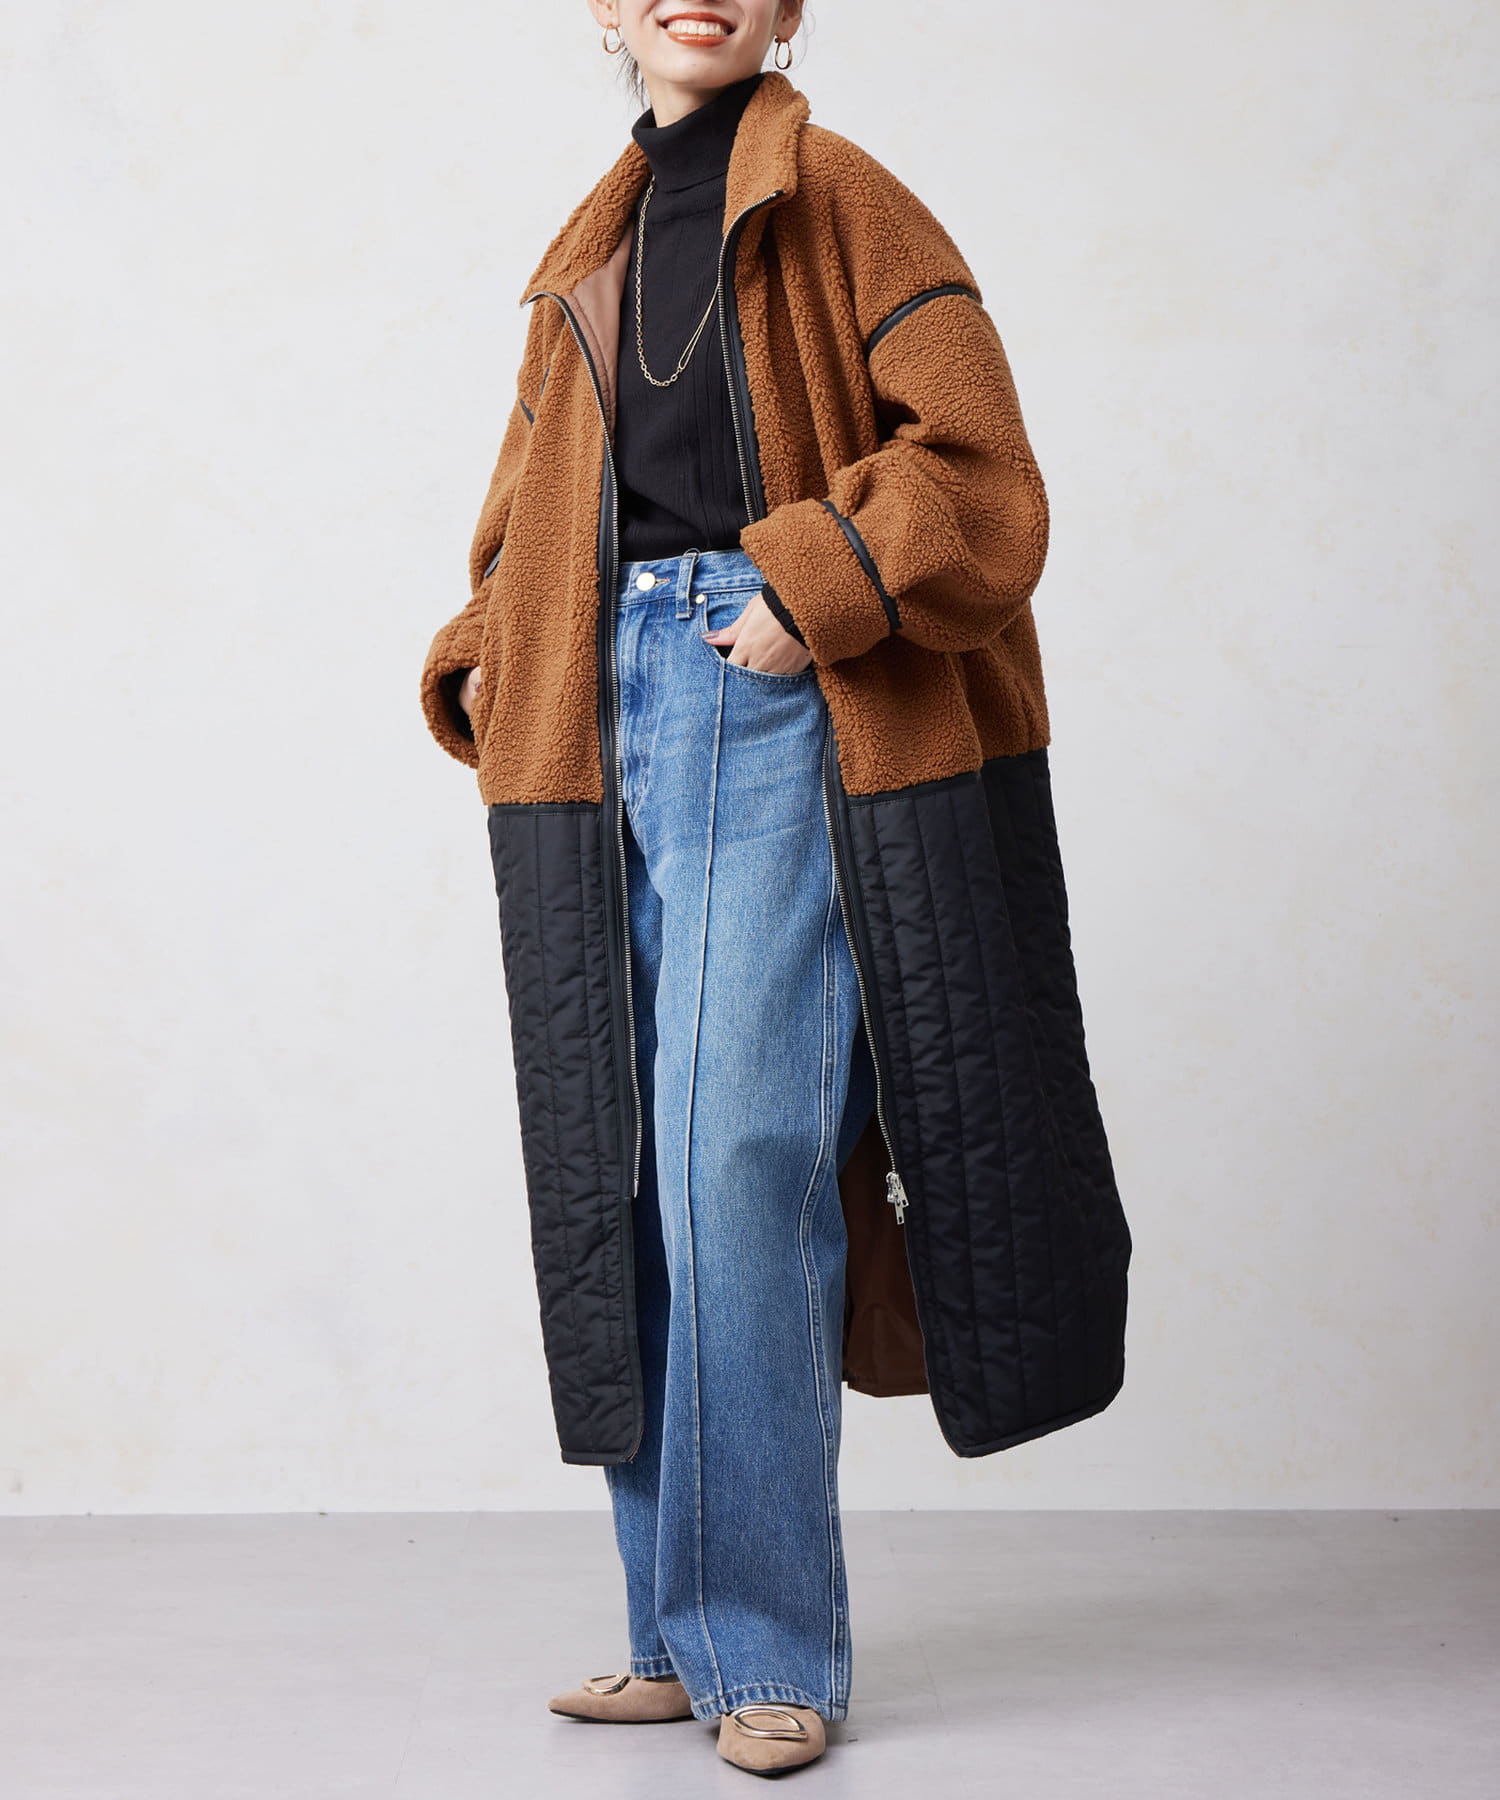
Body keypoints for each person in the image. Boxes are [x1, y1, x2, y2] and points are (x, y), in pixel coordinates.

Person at [419, 1, 1132, 1779]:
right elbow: (528, 508)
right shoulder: (585, 250)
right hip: (592, 712)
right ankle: (673, 1636)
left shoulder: (848, 199)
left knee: (734, 1152)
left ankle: (764, 1648)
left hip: (768, 687)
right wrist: (485, 644)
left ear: (794, 6)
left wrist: (806, 589)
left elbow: (980, 472)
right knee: (631, 1170)